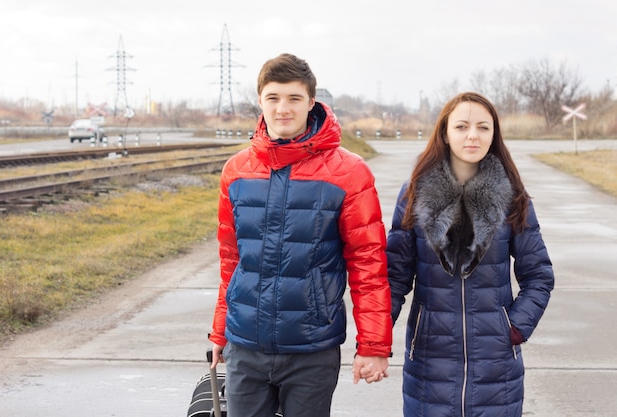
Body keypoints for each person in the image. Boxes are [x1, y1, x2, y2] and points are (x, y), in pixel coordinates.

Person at [208, 53, 392, 417]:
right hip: (246, 347)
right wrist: (219, 332)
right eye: (273, 98)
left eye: (294, 98)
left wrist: (373, 344)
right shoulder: (236, 170)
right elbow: (231, 261)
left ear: (311, 102)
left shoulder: (349, 173)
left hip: (311, 349)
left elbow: (368, 265)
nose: (283, 108)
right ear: (260, 100)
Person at [386, 92, 555, 417]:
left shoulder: (513, 196)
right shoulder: (414, 194)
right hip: (429, 361)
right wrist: (377, 339)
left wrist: (513, 328)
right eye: (462, 126)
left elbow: (538, 276)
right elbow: (395, 277)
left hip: (497, 366)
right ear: (445, 134)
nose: (473, 135)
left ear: (494, 135)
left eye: (483, 127)